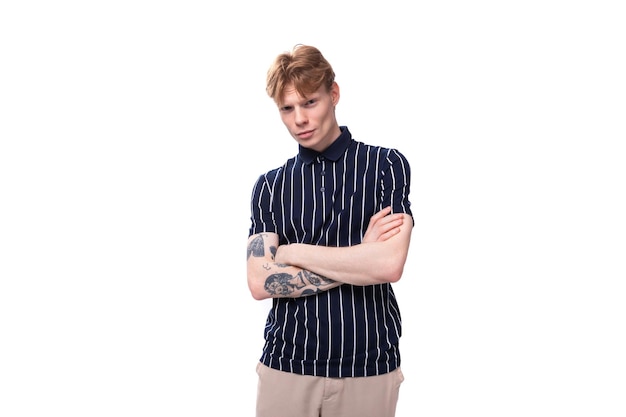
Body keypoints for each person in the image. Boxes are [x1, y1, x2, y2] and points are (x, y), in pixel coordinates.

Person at [246, 44, 414, 417]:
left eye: (309, 102)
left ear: (333, 95)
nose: (299, 119)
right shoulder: (270, 186)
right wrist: (360, 259)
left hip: (368, 367)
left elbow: (388, 265)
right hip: (285, 365)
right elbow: (260, 282)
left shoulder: (385, 165)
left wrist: (292, 252)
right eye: (287, 109)